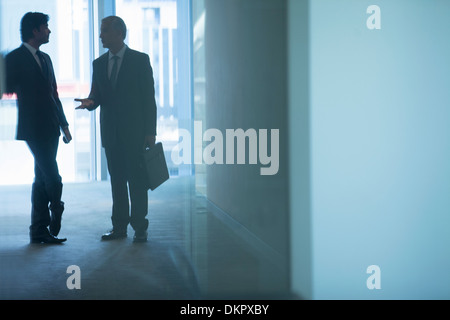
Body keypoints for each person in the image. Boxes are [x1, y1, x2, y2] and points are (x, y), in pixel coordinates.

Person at [75, 16, 157, 243]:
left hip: (136, 134)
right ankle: (119, 227)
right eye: (101, 31)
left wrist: (151, 132)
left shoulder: (140, 60)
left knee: (137, 182)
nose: (101, 35)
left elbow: (148, 99)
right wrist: (90, 103)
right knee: (117, 182)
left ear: (119, 33)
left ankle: (140, 227)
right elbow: (97, 95)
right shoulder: (98, 64)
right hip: (111, 135)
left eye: (105, 31)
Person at [5, 12, 72, 244]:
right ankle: (57, 209)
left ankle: (38, 231)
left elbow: (54, 95)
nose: (49, 31)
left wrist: (64, 124)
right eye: (45, 27)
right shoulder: (14, 58)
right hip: (33, 128)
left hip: (52, 127)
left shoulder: (46, 59)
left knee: (41, 178)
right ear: (35, 30)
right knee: (53, 178)